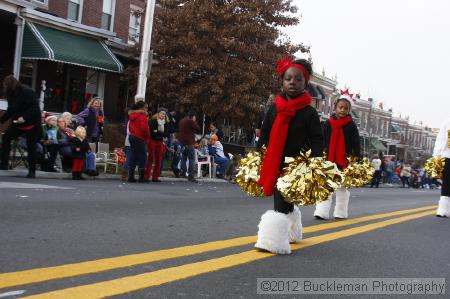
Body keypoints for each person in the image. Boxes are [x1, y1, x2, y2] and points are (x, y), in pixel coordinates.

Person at [254, 56, 323, 254]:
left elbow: (317, 138)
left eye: (298, 79)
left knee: (283, 197)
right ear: (283, 81)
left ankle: (273, 241)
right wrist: (260, 152)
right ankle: (292, 231)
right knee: (282, 196)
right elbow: (265, 132)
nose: (292, 82)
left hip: (296, 163)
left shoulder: (309, 113)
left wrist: (315, 160)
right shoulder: (274, 108)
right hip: (275, 160)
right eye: (288, 78)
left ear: (305, 83)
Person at [313, 93, 361, 220]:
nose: (343, 110)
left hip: (344, 161)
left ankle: (341, 212)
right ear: (335, 108)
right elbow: (321, 139)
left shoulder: (351, 125)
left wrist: (356, 159)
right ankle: (321, 211)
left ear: (349, 110)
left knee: (342, 188)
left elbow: (356, 143)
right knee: (326, 185)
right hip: (328, 159)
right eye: (341, 107)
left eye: (346, 108)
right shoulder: (328, 123)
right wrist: (317, 154)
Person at [0, 75, 41, 178]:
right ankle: (4, 164)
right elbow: (10, 110)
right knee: (6, 138)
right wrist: (2, 120)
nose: (5, 88)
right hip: (18, 123)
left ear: (11, 85)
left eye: (6, 86)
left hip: (32, 123)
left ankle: (32, 171)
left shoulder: (27, 92)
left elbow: (34, 108)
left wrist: (24, 117)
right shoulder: (11, 95)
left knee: (31, 146)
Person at [127, 100, 150, 183]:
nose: (147, 109)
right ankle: (141, 177)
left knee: (133, 155)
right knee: (143, 156)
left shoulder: (132, 115)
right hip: (140, 137)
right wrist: (148, 136)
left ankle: (130, 176)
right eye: (146, 107)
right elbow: (145, 128)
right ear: (142, 108)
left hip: (132, 136)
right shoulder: (142, 116)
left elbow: (129, 126)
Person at [144, 108, 169, 182]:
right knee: (151, 158)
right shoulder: (153, 121)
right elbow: (152, 132)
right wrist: (160, 133)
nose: (163, 115)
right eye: (161, 113)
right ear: (158, 114)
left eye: (164, 114)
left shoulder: (166, 123)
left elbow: (166, 134)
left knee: (159, 159)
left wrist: (158, 132)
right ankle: (146, 176)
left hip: (160, 142)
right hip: (152, 141)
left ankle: (155, 177)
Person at [433, 117, 450, 217]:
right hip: (447, 156)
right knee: (447, 183)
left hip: (446, 156)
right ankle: (443, 208)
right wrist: (436, 158)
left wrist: (436, 157)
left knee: (447, 183)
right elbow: (441, 142)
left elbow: (440, 142)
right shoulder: (447, 123)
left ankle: (443, 209)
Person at [178, 110, 201, 182]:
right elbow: (198, 128)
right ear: (193, 116)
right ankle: (191, 175)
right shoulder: (191, 121)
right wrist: (194, 121)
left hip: (182, 142)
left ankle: (183, 172)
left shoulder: (182, 120)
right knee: (191, 159)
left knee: (183, 157)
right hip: (189, 142)